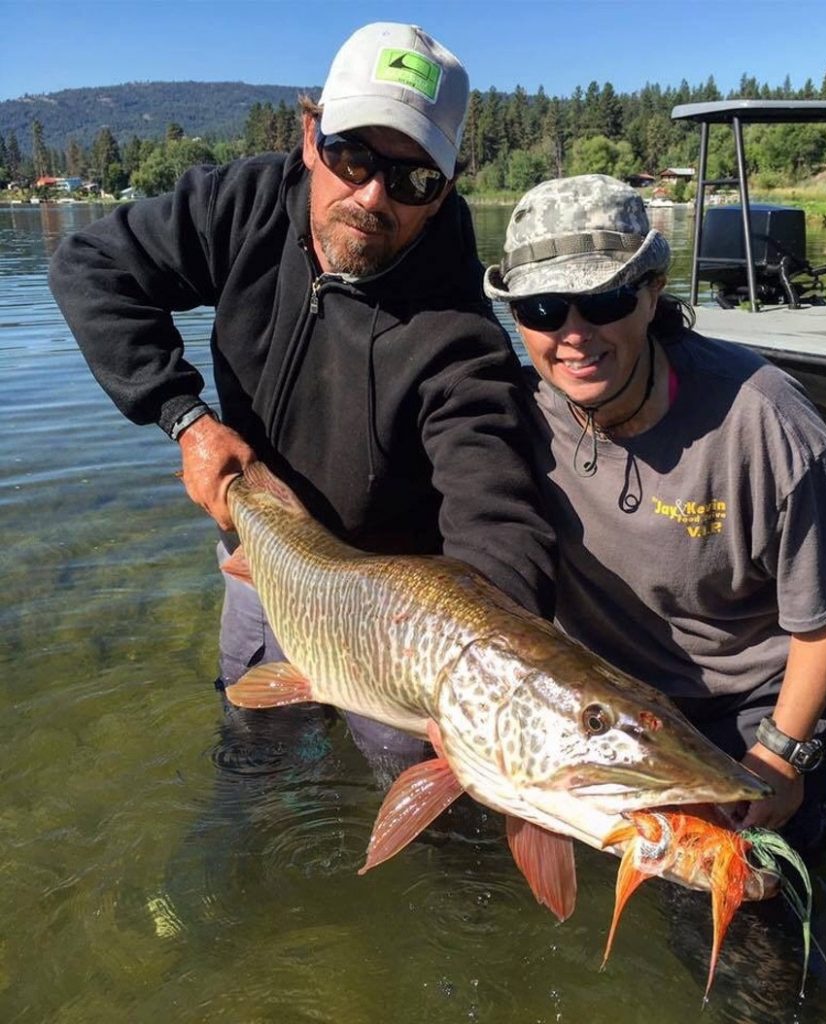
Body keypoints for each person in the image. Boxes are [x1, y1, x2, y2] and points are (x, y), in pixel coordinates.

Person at [49, 23, 555, 784]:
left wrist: (479, 677)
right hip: (262, 546)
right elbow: (91, 267)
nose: (372, 196)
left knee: (416, 789)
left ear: (443, 188)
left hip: (396, 622)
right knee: (256, 749)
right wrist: (186, 420)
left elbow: (498, 513)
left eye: (413, 179)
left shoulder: (460, 335)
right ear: (310, 132)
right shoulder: (245, 204)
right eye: (353, 156)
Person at [484, 174, 826, 850]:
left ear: (650, 292)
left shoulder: (762, 417)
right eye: (543, 309)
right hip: (603, 707)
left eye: (603, 299)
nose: (573, 335)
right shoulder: (513, 410)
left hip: (752, 703)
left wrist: (781, 753)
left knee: (734, 923)